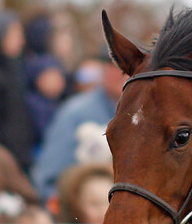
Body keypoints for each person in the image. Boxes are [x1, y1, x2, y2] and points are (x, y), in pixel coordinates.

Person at [31, 49, 125, 201]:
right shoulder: (75, 113)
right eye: (119, 68)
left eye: (132, 69)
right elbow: (49, 178)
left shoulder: (152, 114)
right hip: (86, 215)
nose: (126, 74)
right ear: (104, 70)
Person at [0, 10, 35, 170]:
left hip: (19, 157)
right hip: (1, 161)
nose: (21, 40)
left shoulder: (15, 68)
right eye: (14, 34)